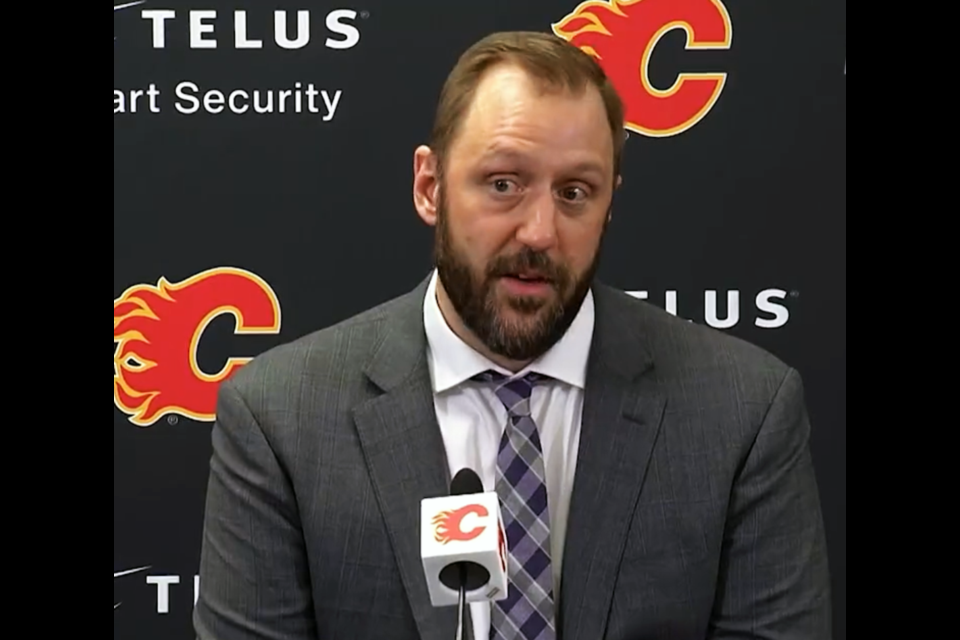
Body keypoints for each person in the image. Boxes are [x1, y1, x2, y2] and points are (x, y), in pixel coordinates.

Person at [193, 30, 831, 640]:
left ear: (609, 205)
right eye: (503, 184)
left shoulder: (742, 411)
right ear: (430, 187)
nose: (539, 233)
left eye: (575, 193)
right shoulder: (281, 418)